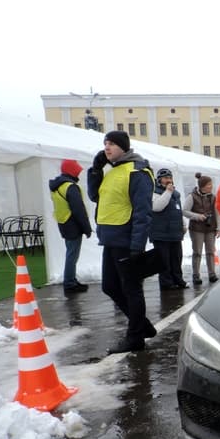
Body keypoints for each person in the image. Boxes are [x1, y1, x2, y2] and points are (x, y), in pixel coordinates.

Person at [87, 130, 156, 354]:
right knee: (110, 286)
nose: (107, 147)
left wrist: (138, 244)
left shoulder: (138, 171)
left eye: (112, 144)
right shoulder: (112, 172)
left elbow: (143, 212)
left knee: (131, 289)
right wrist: (95, 170)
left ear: (124, 147)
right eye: (105, 143)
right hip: (110, 238)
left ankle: (135, 337)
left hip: (126, 240)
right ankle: (142, 326)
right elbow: (94, 196)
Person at [49, 159, 93, 294]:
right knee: (72, 255)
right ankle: (69, 283)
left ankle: (71, 280)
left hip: (64, 223)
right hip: (73, 224)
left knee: (71, 254)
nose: (78, 174)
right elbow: (78, 210)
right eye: (77, 171)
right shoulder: (70, 186)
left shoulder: (57, 186)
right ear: (72, 171)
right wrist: (87, 228)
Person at [151, 167, 188, 290]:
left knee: (176, 258)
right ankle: (167, 283)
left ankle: (178, 279)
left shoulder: (176, 194)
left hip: (174, 232)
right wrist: (167, 192)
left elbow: (177, 210)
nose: (169, 180)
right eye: (166, 178)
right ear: (160, 179)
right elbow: (157, 207)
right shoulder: (154, 191)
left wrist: (183, 223)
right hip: (161, 233)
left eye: (170, 178)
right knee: (164, 260)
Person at [183, 172, 219, 285]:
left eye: (211, 184)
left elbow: (217, 213)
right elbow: (184, 211)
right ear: (202, 186)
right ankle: (196, 275)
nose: (211, 186)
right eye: (209, 185)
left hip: (210, 228)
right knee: (197, 252)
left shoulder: (213, 197)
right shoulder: (192, 196)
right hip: (196, 229)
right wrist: (197, 216)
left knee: (210, 252)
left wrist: (219, 227)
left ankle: (212, 274)